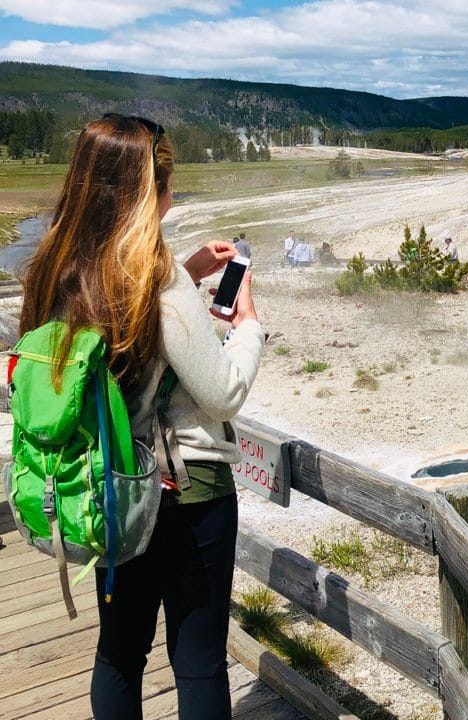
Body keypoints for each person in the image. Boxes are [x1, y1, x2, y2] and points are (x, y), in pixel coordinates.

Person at [19, 114, 264, 720]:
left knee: (120, 653)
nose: (172, 195)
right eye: (166, 186)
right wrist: (249, 322)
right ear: (144, 195)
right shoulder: (157, 282)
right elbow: (224, 392)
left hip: (104, 488)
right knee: (198, 660)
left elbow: (121, 334)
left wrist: (187, 268)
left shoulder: (57, 270)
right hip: (186, 496)